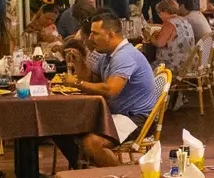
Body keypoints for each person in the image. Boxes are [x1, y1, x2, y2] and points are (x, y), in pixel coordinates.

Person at [56, 11, 162, 167]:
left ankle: (118, 177)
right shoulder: (108, 55)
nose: (90, 38)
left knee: (92, 143)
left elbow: (111, 89)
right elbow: (92, 79)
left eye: (95, 34)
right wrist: (79, 63)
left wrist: (77, 84)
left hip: (135, 118)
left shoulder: (124, 56)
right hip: (116, 115)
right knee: (61, 126)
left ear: (111, 35)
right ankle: (82, 168)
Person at [150, 0, 198, 75]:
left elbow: (159, 43)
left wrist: (151, 38)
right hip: (189, 63)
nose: (159, 16)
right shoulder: (184, 20)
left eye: (159, 13)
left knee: (145, 68)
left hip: (173, 65)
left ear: (165, 11)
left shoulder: (169, 23)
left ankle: (156, 86)